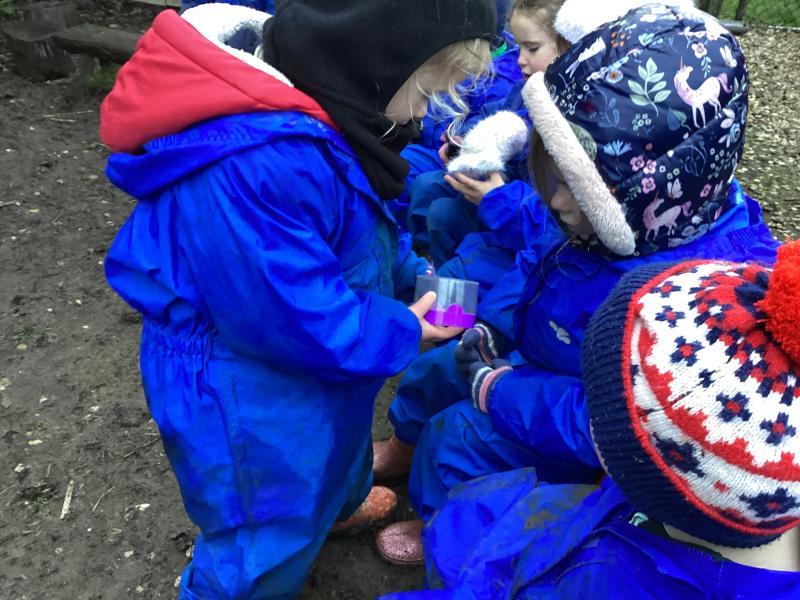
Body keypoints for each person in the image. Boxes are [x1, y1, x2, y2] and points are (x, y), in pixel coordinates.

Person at [98, 1, 495, 597]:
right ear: (375, 61)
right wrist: (404, 329)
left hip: (312, 364)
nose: (423, 112)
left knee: (332, 452)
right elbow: (291, 318)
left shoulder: (329, 117)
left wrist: (413, 276)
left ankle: (330, 508)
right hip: (246, 385)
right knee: (265, 521)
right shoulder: (257, 160)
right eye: (424, 91)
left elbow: (361, 232)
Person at [373, 0, 780, 565]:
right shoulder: (611, 208)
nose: (554, 199)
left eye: (574, 186)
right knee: (437, 367)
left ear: (641, 191)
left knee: (461, 437)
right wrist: (492, 328)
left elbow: (611, 423)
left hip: (573, 411)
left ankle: (444, 526)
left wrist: (499, 388)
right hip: (539, 346)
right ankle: (404, 444)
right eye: (552, 173)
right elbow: (538, 258)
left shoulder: (693, 299)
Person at [379, 242, 800, 599]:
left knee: (463, 506)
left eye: (600, 411)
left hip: (550, 565)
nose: (590, 415)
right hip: (592, 521)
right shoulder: (698, 487)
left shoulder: (608, 583)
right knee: (471, 509)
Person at [404, 0, 566, 269]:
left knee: (442, 211)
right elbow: (493, 113)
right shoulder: (524, 88)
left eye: (532, 48)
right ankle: (426, 260)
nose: (520, 59)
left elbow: (550, 205)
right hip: (502, 188)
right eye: (519, 47)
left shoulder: (567, 111)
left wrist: (498, 194)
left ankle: (446, 274)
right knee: (431, 194)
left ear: (565, 46)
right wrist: (465, 140)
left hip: (522, 212)